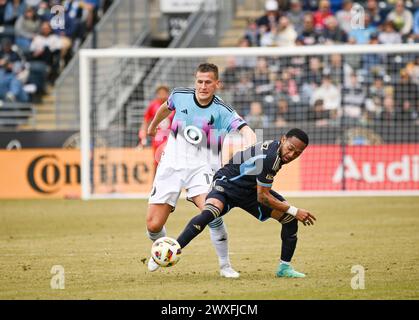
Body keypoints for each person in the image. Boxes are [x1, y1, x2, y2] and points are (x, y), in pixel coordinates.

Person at [145, 63, 256, 278]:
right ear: (195, 81)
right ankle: (161, 250)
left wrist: (251, 147)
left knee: (212, 212)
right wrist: (152, 126)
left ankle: (225, 266)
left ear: (217, 84)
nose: (203, 86)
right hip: (171, 165)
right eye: (199, 81)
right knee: (153, 224)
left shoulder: (223, 110)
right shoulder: (179, 95)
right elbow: (166, 107)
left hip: (203, 168)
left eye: (208, 82)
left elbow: (247, 131)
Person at [175, 128, 316, 278]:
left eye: (297, 153)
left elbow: (261, 192)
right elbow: (263, 197)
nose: (291, 155)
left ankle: (284, 268)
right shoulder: (271, 158)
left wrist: (290, 212)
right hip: (228, 184)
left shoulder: (276, 151)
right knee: (210, 213)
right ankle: (173, 248)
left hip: (250, 190)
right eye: (290, 149)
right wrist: (294, 210)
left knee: (289, 220)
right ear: (283, 139)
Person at [138, 85, 172, 177]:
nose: (162, 95)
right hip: (157, 140)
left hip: (170, 139)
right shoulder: (153, 105)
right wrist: (143, 133)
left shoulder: (173, 106)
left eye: (164, 93)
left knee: (171, 163)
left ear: (168, 94)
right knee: (157, 162)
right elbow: (146, 121)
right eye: (160, 93)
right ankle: (155, 185)